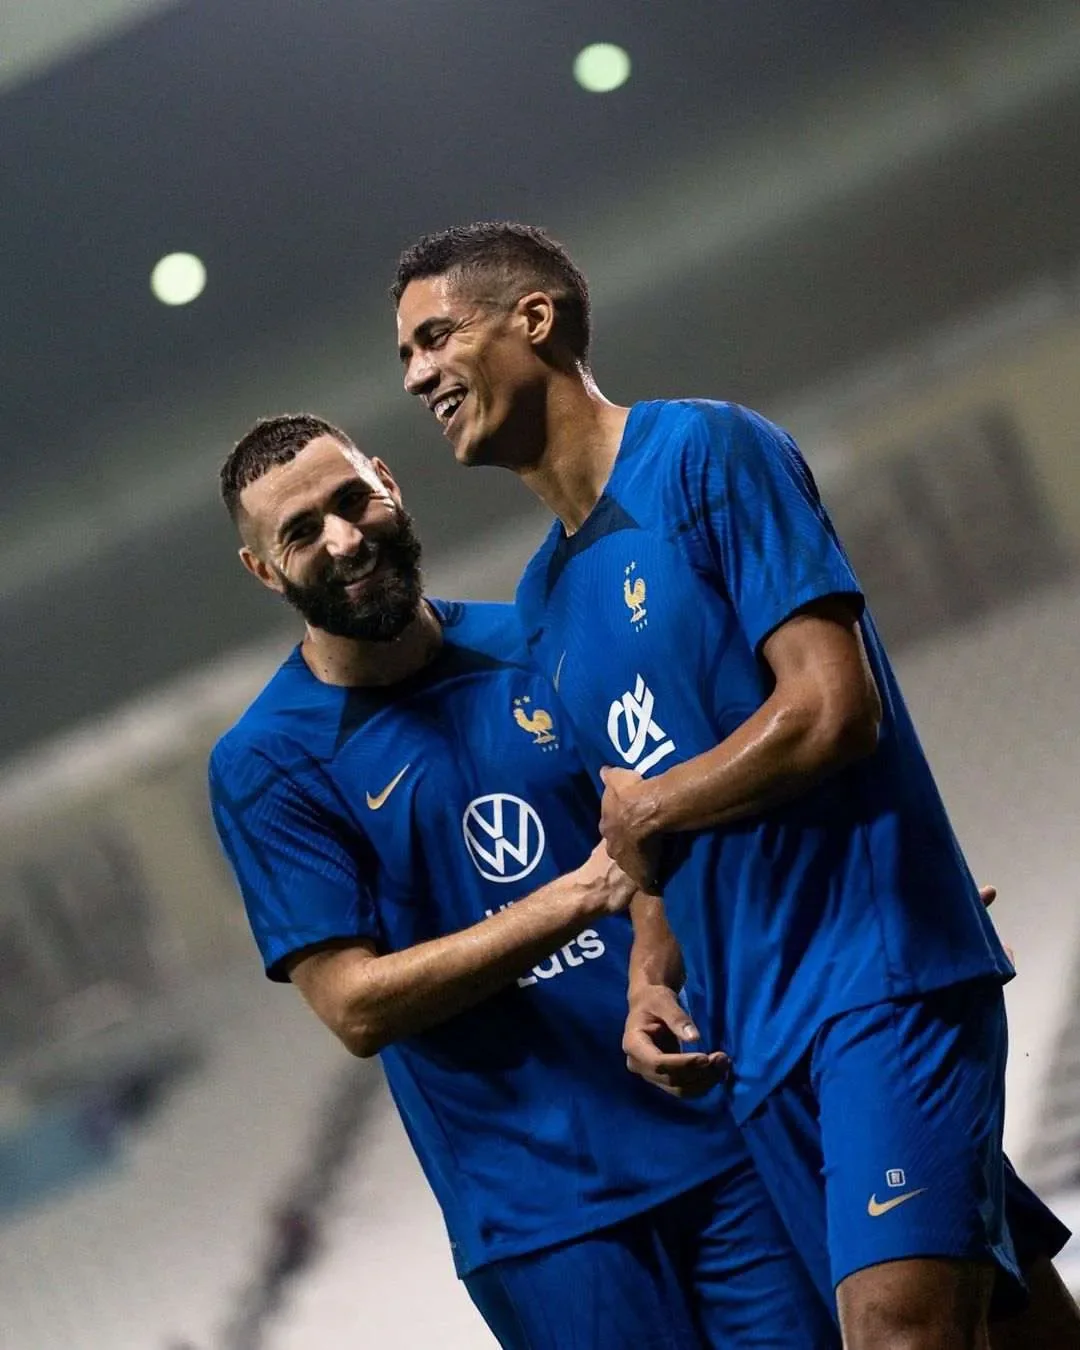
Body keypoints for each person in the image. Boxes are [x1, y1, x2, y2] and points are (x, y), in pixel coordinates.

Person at [393, 222, 1080, 1349]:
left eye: (435, 337)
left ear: (535, 318)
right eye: (405, 358)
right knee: (1012, 1322)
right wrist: (646, 975)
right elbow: (641, 817)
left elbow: (829, 708)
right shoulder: (544, 597)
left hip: (876, 978)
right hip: (754, 1041)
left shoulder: (708, 453)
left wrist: (655, 810)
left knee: (896, 1335)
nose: (418, 375)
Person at [208, 413, 843, 1349]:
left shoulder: (541, 634)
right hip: (544, 1216)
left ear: (389, 484)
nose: (342, 540)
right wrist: (584, 893)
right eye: (300, 533)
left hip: (720, 1132)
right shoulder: (267, 762)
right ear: (264, 570)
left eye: (351, 501)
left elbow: (687, 823)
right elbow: (355, 1008)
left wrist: (852, 895)